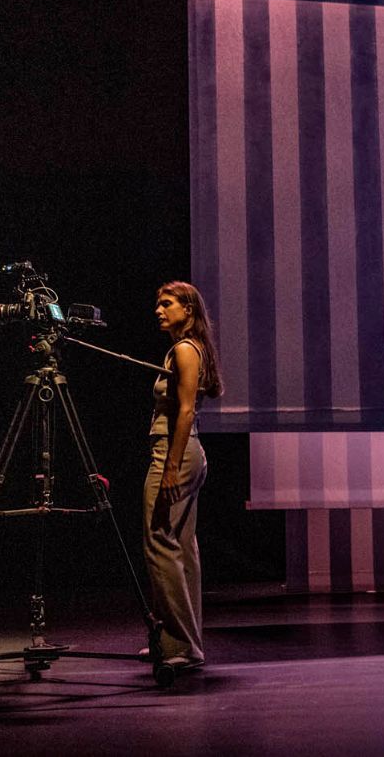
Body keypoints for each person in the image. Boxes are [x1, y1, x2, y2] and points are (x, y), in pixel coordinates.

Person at [143, 281, 222, 669]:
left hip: (175, 451)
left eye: (167, 303)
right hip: (186, 450)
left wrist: (171, 465)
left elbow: (186, 411)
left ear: (187, 310)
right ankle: (180, 638)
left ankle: (181, 644)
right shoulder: (185, 349)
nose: (159, 310)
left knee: (159, 539)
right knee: (181, 545)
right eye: (158, 304)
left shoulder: (185, 350)